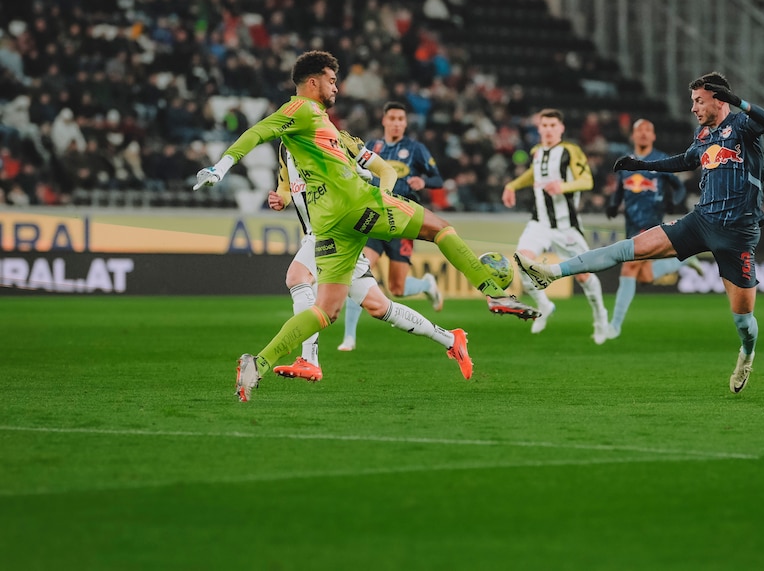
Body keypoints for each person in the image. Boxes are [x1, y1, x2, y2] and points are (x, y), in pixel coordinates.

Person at [194, 50, 539, 401]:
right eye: (331, 81)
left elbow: (369, 166)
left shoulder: (328, 131)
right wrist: (220, 166)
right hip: (356, 205)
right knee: (439, 229)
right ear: (312, 83)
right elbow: (257, 132)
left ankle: (259, 363)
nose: (337, 88)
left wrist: (376, 188)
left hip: (330, 226)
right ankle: (494, 294)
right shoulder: (300, 109)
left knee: (327, 309)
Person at [516, 72, 764, 393]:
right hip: (701, 221)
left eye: (699, 101)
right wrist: (642, 165)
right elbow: (686, 160)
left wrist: (736, 101)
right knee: (628, 249)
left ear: (718, 99)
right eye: (692, 101)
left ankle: (747, 354)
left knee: (742, 322)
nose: (694, 108)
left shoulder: (743, 127)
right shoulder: (704, 135)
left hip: (739, 233)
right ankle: (551, 272)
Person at [267, 143, 472, 381]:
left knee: (297, 277)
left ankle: (309, 359)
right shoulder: (286, 148)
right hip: (325, 235)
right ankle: (450, 339)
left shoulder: (327, 141)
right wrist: (280, 199)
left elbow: (368, 174)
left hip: (333, 232)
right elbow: (285, 186)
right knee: (379, 307)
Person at [341, 101, 445, 352]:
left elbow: (438, 179)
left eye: (401, 118)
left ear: (405, 123)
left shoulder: (416, 149)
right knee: (359, 272)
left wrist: (424, 181)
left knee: (397, 288)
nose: (397, 122)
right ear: (384, 121)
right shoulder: (372, 147)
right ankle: (349, 337)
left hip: (402, 222)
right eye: (393, 118)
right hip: (374, 219)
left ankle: (426, 285)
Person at [502, 108, 609, 343]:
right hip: (539, 223)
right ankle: (544, 305)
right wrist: (512, 185)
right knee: (522, 260)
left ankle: (601, 317)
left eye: (553, 126)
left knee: (584, 276)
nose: (549, 130)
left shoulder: (571, 151)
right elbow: (533, 173)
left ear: (561, 128)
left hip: (566, 227)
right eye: (545, 125)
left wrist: (563, 187)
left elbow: (587, 180)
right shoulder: (537, 152)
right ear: (539, 128)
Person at [604, 118, 705, 340]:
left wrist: (673, 202)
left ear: (653, 136)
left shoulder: (660, 160)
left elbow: (678, 188)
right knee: (645, 276)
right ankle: (685, 259)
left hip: (651, 224)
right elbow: (620, 190)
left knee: (628, 269)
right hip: (631, 223)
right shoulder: (626, 163)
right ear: (632, 135)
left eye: (648, 130)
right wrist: (613, 203)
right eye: (639, 130)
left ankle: (615, 325)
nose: (643, 134)